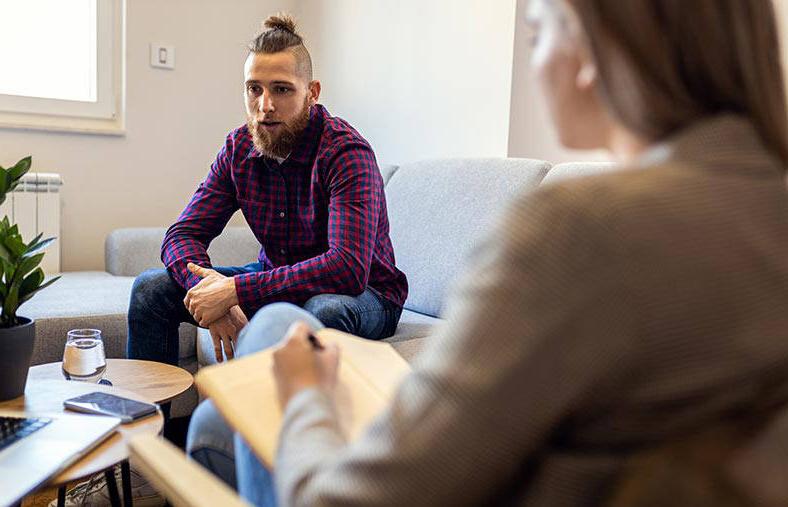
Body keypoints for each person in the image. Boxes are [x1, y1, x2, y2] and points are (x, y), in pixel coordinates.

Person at [192, 0, 788, 505]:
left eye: (537, 31)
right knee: (215, 421)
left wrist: (303, 396)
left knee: (274, 328)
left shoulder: (577, 231)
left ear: (590, 50)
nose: (264, 104)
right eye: (254, 90)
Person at [126, 13, 407, 371]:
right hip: (278, 277)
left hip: (368, 294)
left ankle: (278, 426)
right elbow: (182, 234)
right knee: (151, 289)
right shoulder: (238, 149)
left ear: (312, 93)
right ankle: (150, 425)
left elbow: (346, 268)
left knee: (320, 312)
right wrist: (213, 296)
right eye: (253, 88)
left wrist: (235, 291)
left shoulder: (345, 152)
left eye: (282, 89)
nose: (265, 105)